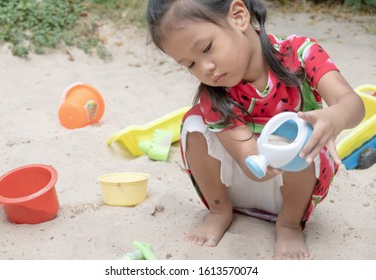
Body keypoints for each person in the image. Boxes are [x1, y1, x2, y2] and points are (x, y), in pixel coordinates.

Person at [146, 0, 365, 259]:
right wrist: (262, 161)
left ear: (238, 16)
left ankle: (289, 224)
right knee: (194, 124)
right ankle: (219, 210)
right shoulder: (215, 95)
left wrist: (334, 116)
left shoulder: (300, 53)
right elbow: (250, 162)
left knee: (304, 132)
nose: (205, 68)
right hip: (248, 178)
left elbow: (353, 105)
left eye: (206, 48)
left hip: (298, 185)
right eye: (190, 64)